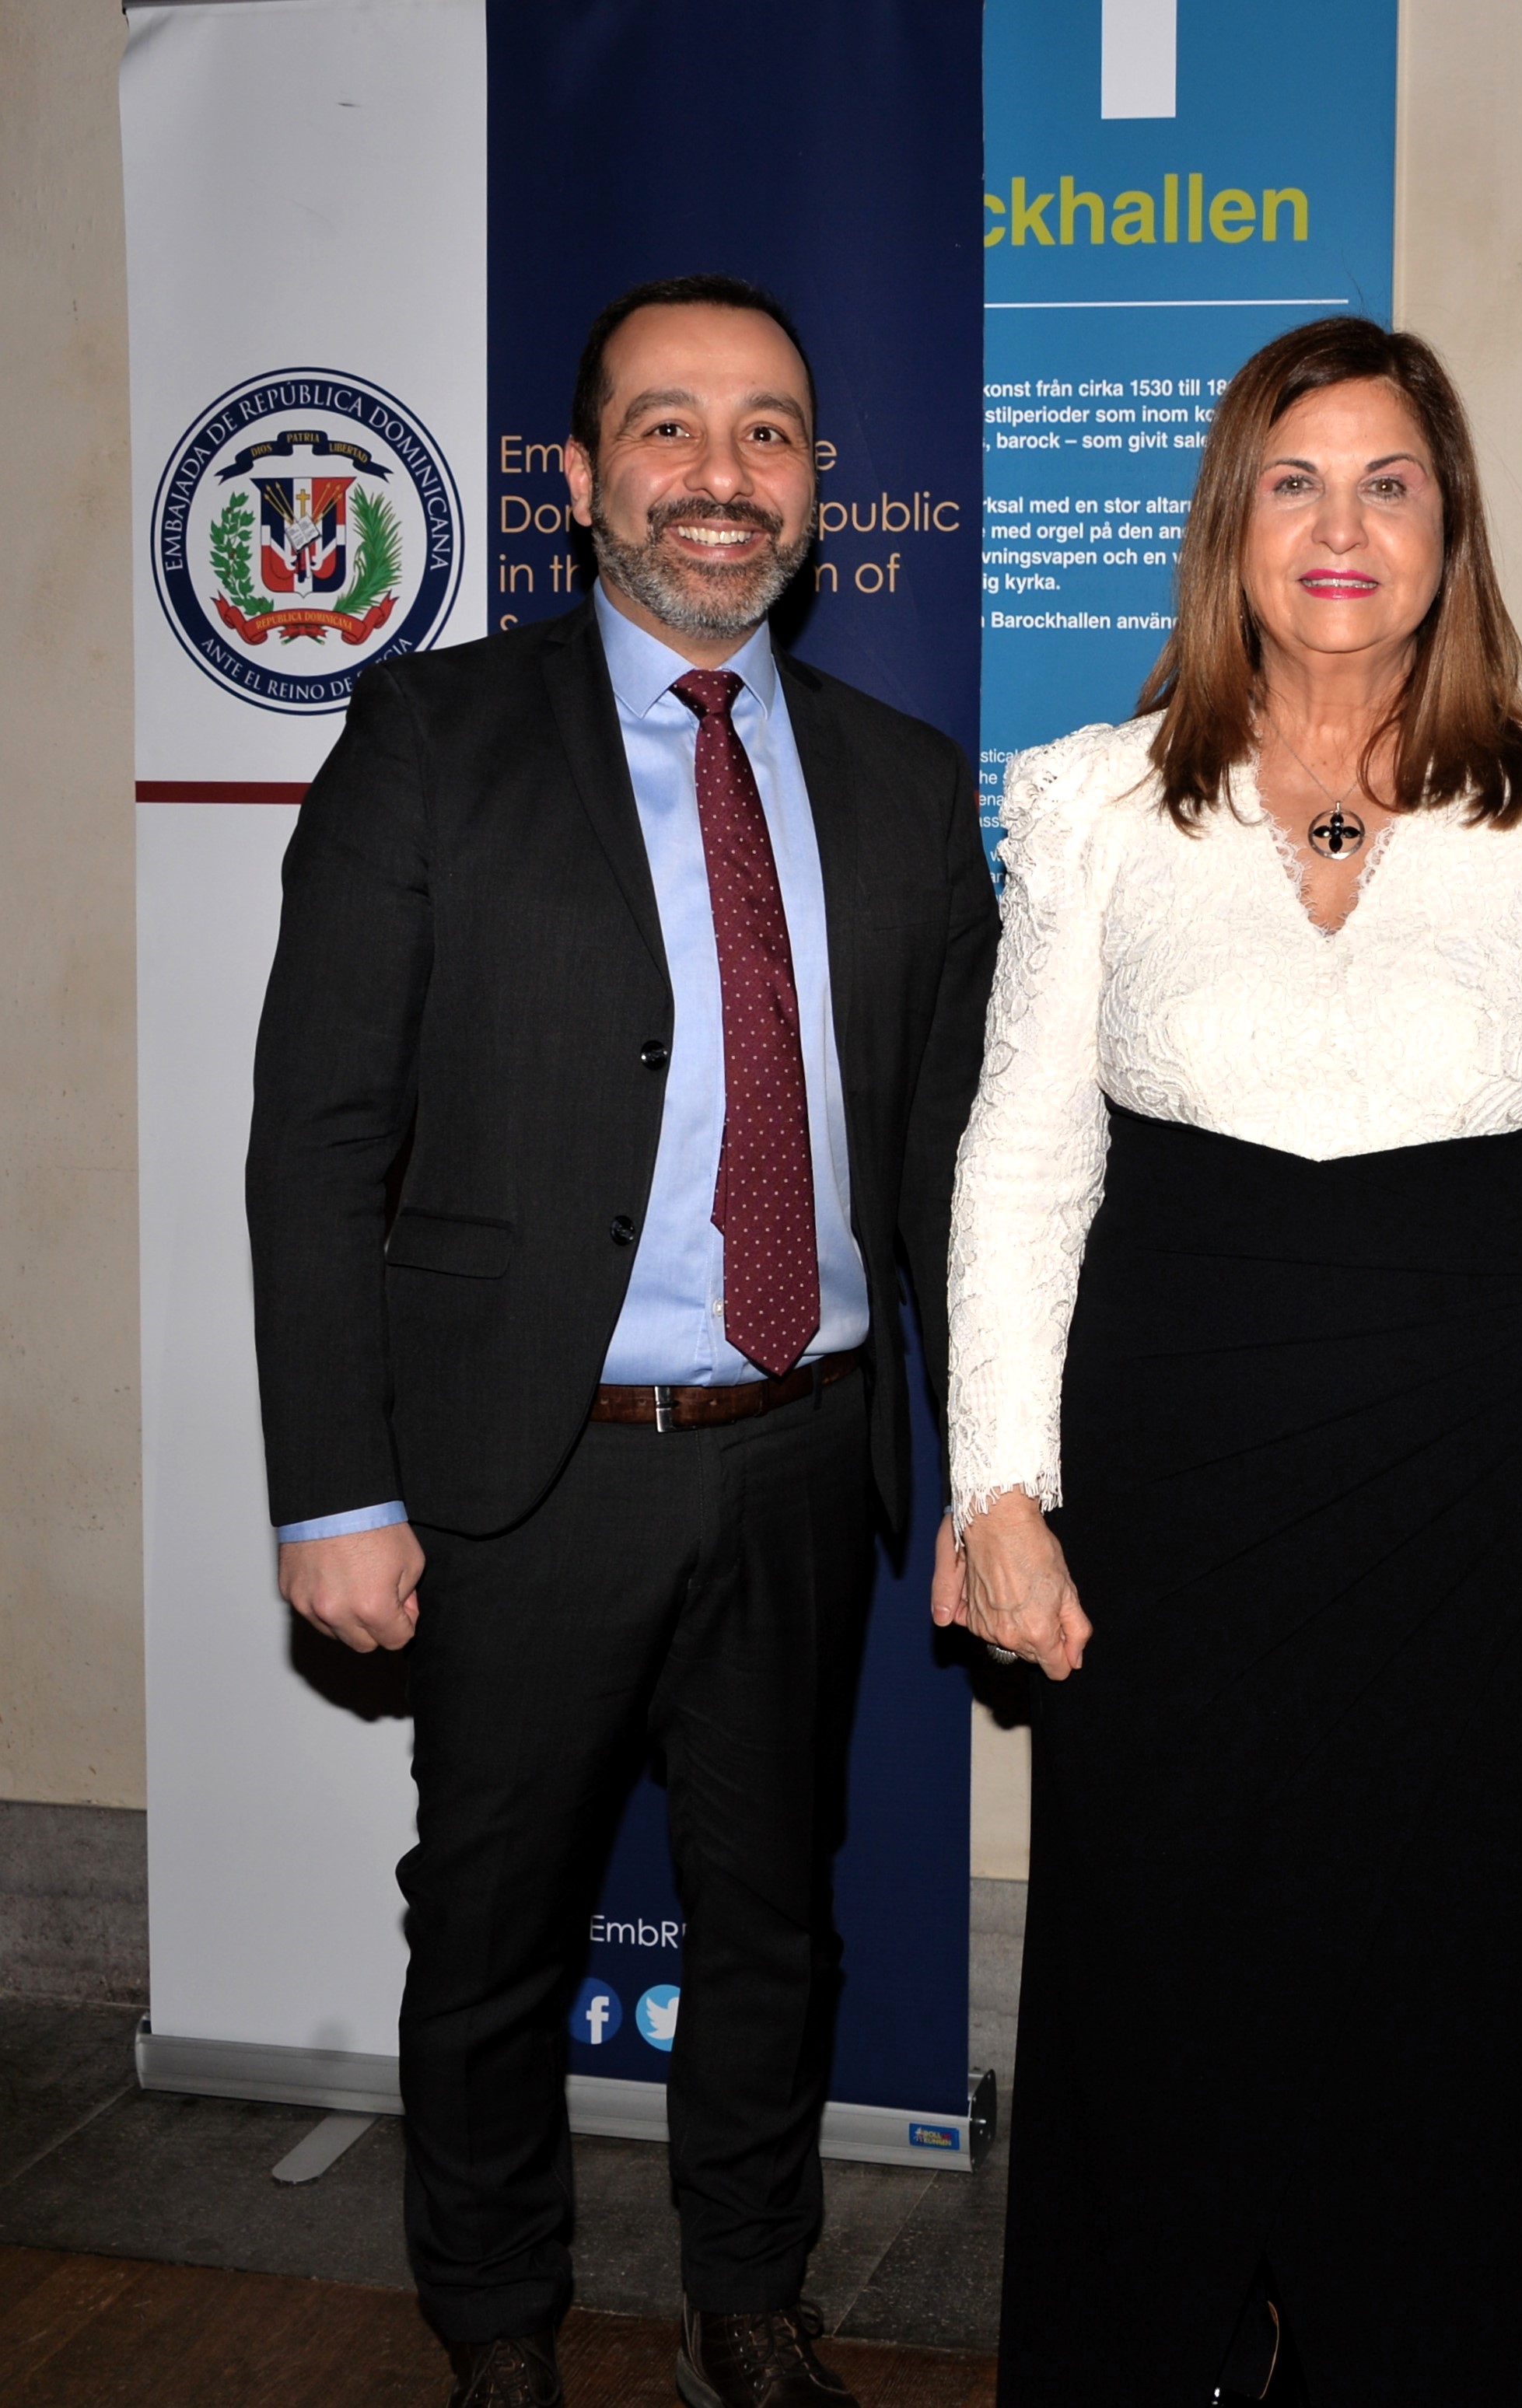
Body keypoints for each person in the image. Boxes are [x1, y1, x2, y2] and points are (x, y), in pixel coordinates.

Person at [936, 314, 1522, 2406]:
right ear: (1232, 522)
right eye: (1293, 481)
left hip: (1477, 1500)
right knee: (1155, 1983)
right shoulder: (1097, 802)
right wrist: (996, 1485)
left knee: (1448, 1998)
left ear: (1447, 525)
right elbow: (1021, 1154)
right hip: (1169, 1501)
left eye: (1386, 481)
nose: (1339, 525)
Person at [249, 274, 998, 2408]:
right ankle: (495, 2333)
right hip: (528, 1467)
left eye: (767, 430)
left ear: (816, 483)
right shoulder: (432, 740)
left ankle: (747, 2306)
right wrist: (333, 1485)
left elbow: (951, 1174)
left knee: (775, 1924)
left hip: (802, 1455)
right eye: (669, 426)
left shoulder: (900, 785)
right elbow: (319, 1138)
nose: (719, 472)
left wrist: (1000, 1471)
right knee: (492, 1932)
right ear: (579, 478)